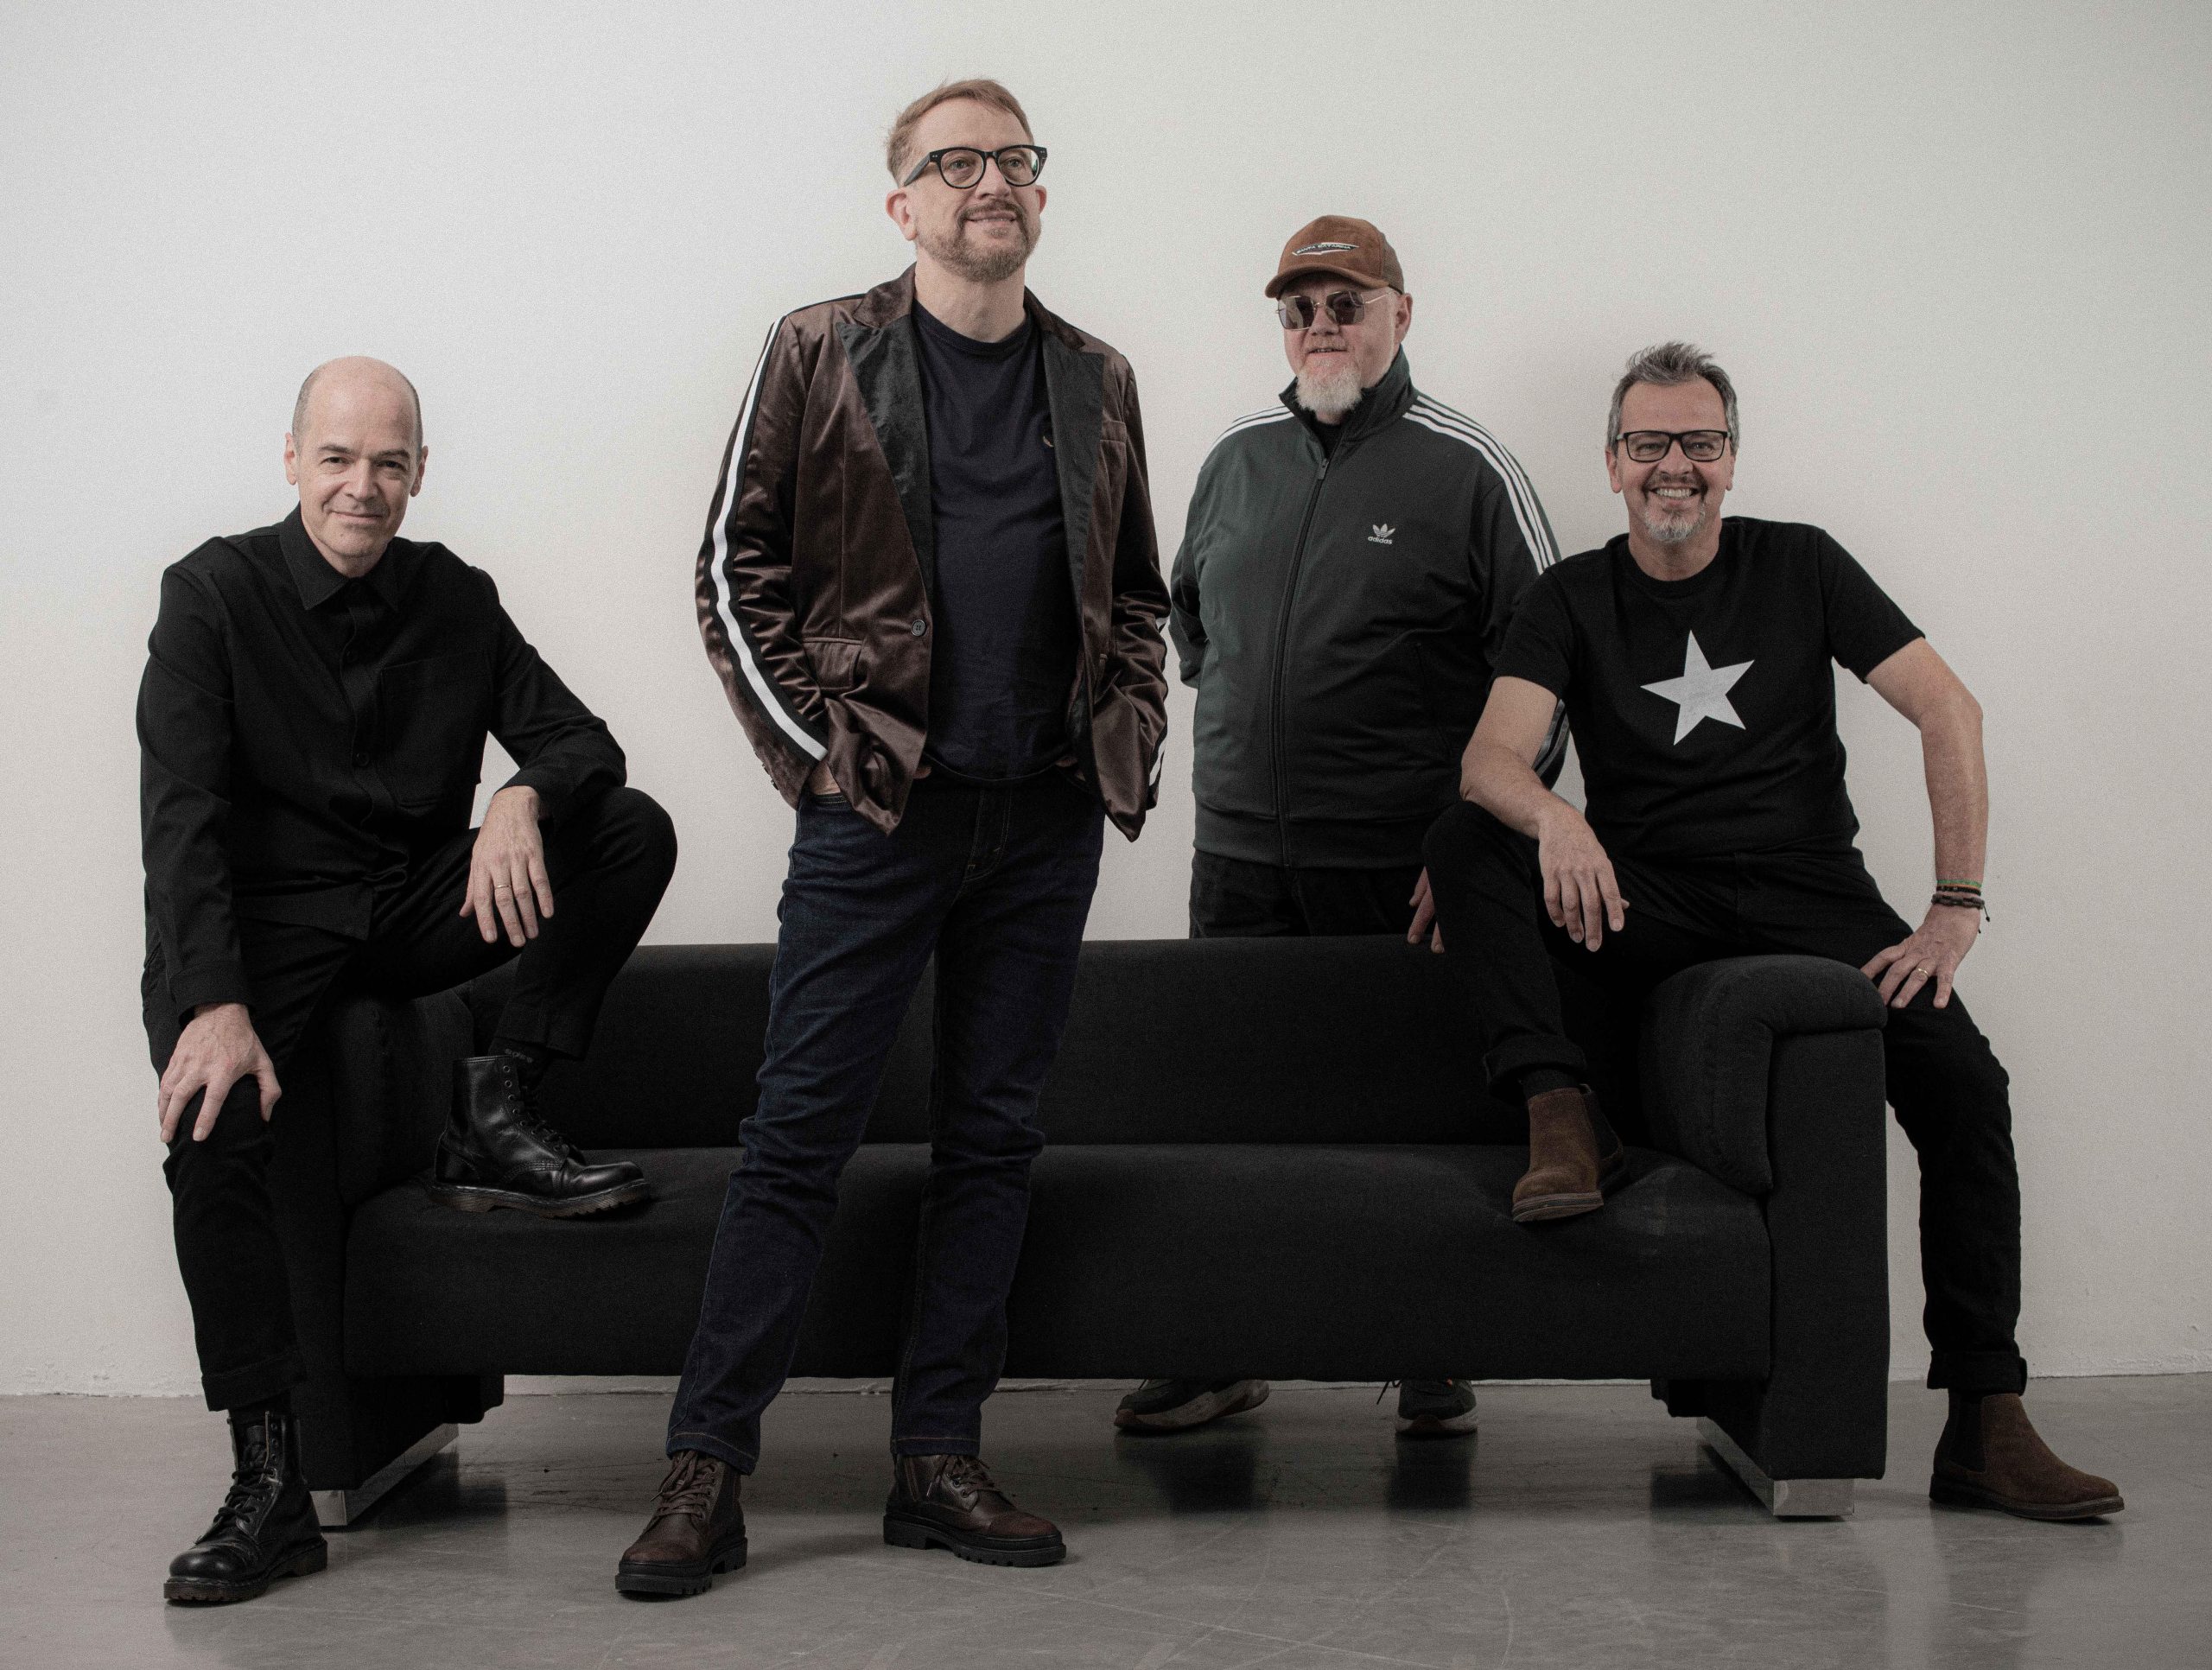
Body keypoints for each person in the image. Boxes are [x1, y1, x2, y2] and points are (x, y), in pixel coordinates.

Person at [616, 79, 1168, 1596]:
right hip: (878, 815)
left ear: (1039, 193)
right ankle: (706, 1467)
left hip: (1042, 820)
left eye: (1015, 159)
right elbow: (734, 567)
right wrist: (823, 762)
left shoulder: (1099, 375)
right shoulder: (820, 347)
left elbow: (1135, 592)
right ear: (903, 203)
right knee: (797, 1137)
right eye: (957, 161)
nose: (992, 181)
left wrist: (1125, 729)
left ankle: (938, 1457)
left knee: (993, 1141)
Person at [1420, 341, 2123, 1520]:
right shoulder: (1573, 596)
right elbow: (1490, 759)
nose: (1675, 466)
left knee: (1967, 1085)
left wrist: (1955, 905)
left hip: (1812, 894)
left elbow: (1948, 708)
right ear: (1612, 462)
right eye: (1650, 443)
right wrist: (1558, 818)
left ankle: (1985, 1420)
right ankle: (1559, 1107)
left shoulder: (1802, 564)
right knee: (1465, 837)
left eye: (1700, 442)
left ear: (1733, 459)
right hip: (1648, 898)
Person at [143, 357, 679, 1603]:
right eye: (338, 458)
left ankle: (498, 1100)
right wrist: (213, 1004)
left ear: (421, 472)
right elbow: (181, 818)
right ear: (292, 459)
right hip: (265, 925)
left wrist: (523, 793)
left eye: (390, 463)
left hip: (408, 904)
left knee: (627, 829)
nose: (362, 487)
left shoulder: (456, 596)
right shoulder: (210, 594)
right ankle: (267, 1485)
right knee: (207, 1125)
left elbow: (583, 739)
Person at [1133, 217, 1564, 1441]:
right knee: (1228, 1110)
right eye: (1299, 308)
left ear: (1400, 314)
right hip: (1241, 857)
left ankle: (1427, 1346)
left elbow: (1549, 672)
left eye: (1346, 304)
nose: (1320, 327)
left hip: (1398, 861)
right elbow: (1188, 622)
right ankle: (1218, 1351)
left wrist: (1472, 842)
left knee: (1405, 1116)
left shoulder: (1469, 468)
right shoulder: (1236, 457)